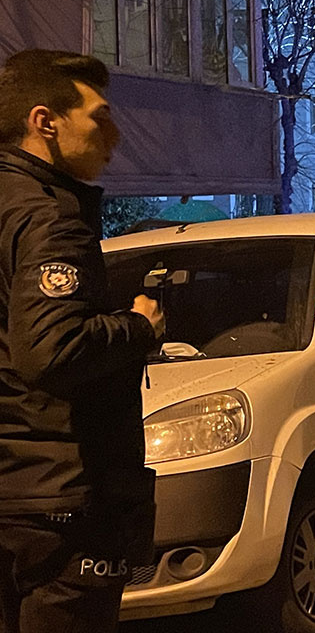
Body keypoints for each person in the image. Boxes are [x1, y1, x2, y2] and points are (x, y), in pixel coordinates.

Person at [0, 50, 165, 633]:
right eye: (99, 117)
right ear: (45, 122)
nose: (115, 135)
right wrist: (139, 326)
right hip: (59, 504)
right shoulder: (46, 218)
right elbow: (52, 350)